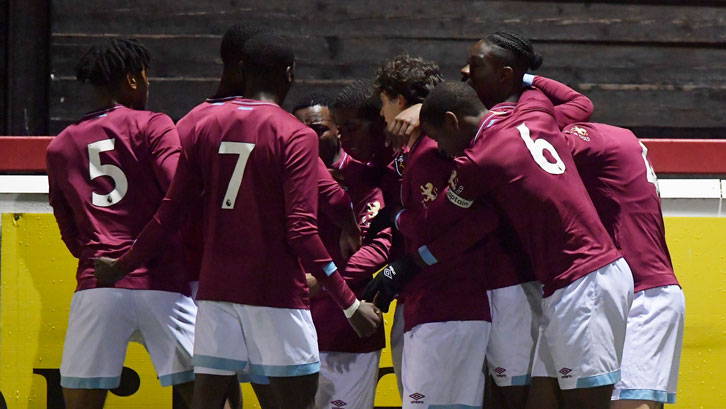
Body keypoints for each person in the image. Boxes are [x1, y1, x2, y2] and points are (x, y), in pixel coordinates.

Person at [94, 34, 382, 409]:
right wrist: (349, 303)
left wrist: (122, 265)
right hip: (275, 294)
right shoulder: (294, 133)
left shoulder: (202, 125)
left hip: (216, 297)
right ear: (289, 74)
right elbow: (304, 229)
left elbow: (168, 213)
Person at [46, 38, 196, 409]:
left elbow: (65, 224)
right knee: (210, 393)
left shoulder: (60, 145)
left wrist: (96, 257)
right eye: (145, 78)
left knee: (81, 399)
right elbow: (179, 192)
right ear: (132, 80)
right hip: (162, 282)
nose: (147, 86)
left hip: (98, 285)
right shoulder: (154, 125)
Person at [527, 73, 685, 409]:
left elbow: (543, 138)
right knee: (542, 397)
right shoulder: (620, 137)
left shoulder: (591, 139)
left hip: (642, 293)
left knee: (627, 404)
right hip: (587, 291)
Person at [371, 54, 494, 409]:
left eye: (383, 103)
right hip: (458, 307)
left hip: (443, 307)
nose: (381, 115)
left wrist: (399, 220)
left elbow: (440, 228)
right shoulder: (429, 148)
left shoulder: (429, 153)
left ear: (399, 101)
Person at [294, 94, 392, 409]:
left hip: (346, 332)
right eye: (301, 128)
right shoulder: (283, 177)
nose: (308, 136)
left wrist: (321, 281)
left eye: (318, 128)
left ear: (338, 130)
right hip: (291, 327)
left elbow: (375, 246)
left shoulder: (366, 175)